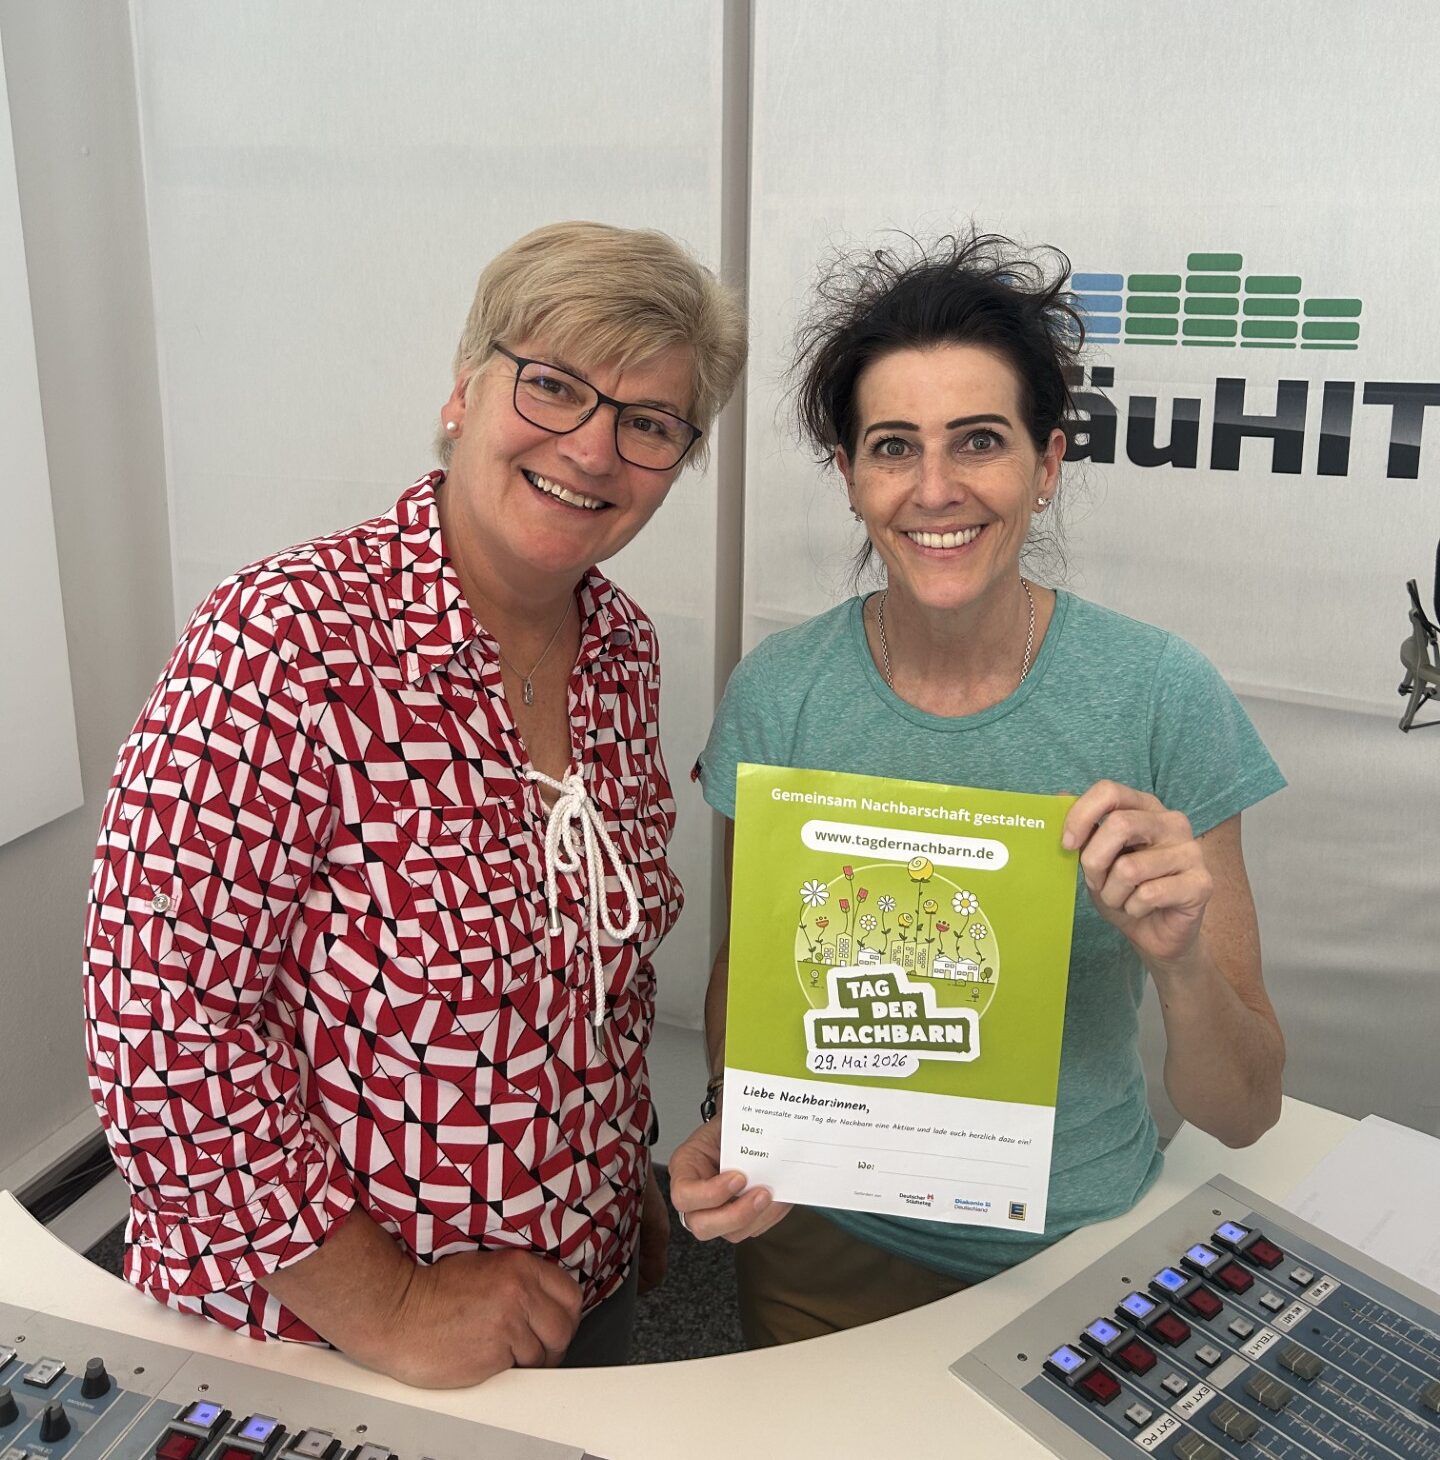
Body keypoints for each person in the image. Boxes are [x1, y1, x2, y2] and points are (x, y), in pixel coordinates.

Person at [83, 221, 746, 1386]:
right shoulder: (286, 642)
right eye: (553, 385)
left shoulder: (622, 652)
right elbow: (158, 1028)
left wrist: (609, 1167)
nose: (593, 448)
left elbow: (596, 965)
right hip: (317, 1336)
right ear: (463, 391)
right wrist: (388, 1302)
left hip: (573, 1287)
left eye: (648, 422)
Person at [669, 232, 1286, 1348]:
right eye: (893, 446)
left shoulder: (1159, 693)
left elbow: (1243, 1111)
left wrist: (1181, 959)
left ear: (1046, 464)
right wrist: (739, 1119)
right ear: (850, 475)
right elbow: (744, 976)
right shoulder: (780, 692)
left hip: (1078, 1253)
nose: (935, 488)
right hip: (820, 1239)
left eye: (980, 441)